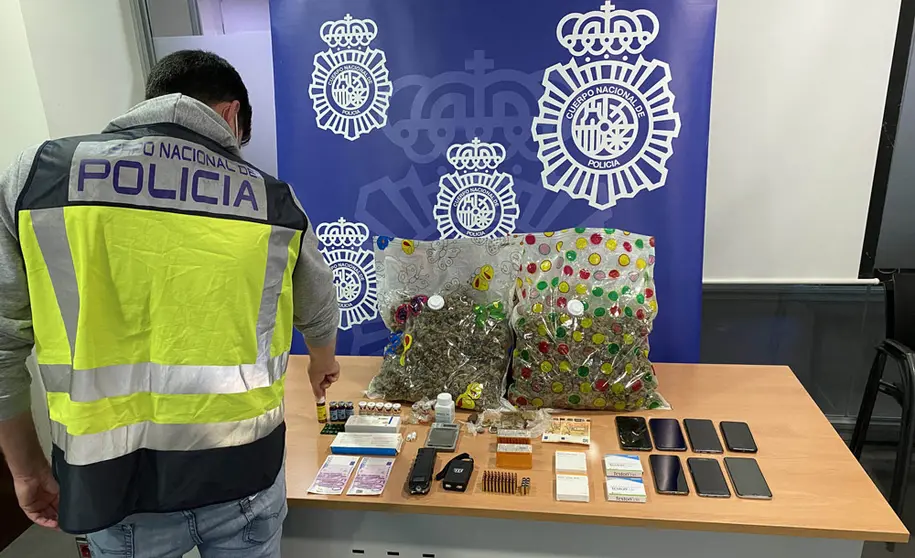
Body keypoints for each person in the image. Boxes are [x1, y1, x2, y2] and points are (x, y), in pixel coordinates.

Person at [0, 50, 340, 557]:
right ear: (230, 114)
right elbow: (319, 304)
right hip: (242, 475)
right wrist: (322, 363)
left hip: (111, 485)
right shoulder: (272, 200)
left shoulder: (38, 176)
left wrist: (25, 470)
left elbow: (3, 346)